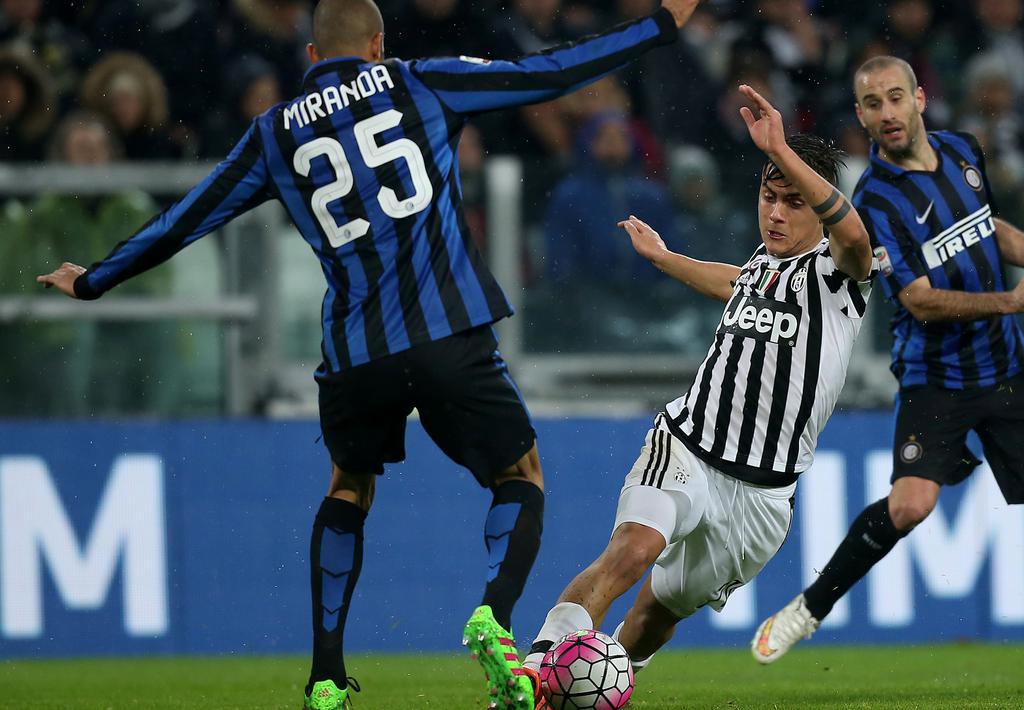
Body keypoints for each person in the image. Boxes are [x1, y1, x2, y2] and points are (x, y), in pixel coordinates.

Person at [35, 1, 706, 708]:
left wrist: (96, 278)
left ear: (312, 55)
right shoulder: (421, 82)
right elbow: (551, 70)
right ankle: (494, 617)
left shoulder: (274, 132)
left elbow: (193, 213)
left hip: (357, 352)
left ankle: (325, 677)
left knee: (348, 488)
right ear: (378, 44)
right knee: (520, 475)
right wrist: (659, 24)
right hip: (448, 331)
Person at [751, 55, 1024, 693]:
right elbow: (919, 299)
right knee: (911, 505)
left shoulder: (962, 151)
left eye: (895, 98)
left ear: (920, 98)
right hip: (935, 377)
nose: (887, 114)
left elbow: (990, 230)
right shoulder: (873, 201)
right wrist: (1010, 300)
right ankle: (808, 609)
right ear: (862, 116)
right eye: (872, 105)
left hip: (1007, 370)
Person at [522, 83, 873, 703]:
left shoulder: (842, 276)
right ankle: (538, 667)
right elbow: (735, 282)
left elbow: (853, 234)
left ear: (820, 209)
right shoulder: (764, 265)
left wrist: (781, 150)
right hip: (690, 445)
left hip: (762, 501)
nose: (775, 213)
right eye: (769, 196)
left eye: (793, 202)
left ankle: (581, 690)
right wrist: (663, 258)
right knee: (633, 550)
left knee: (655, 615)